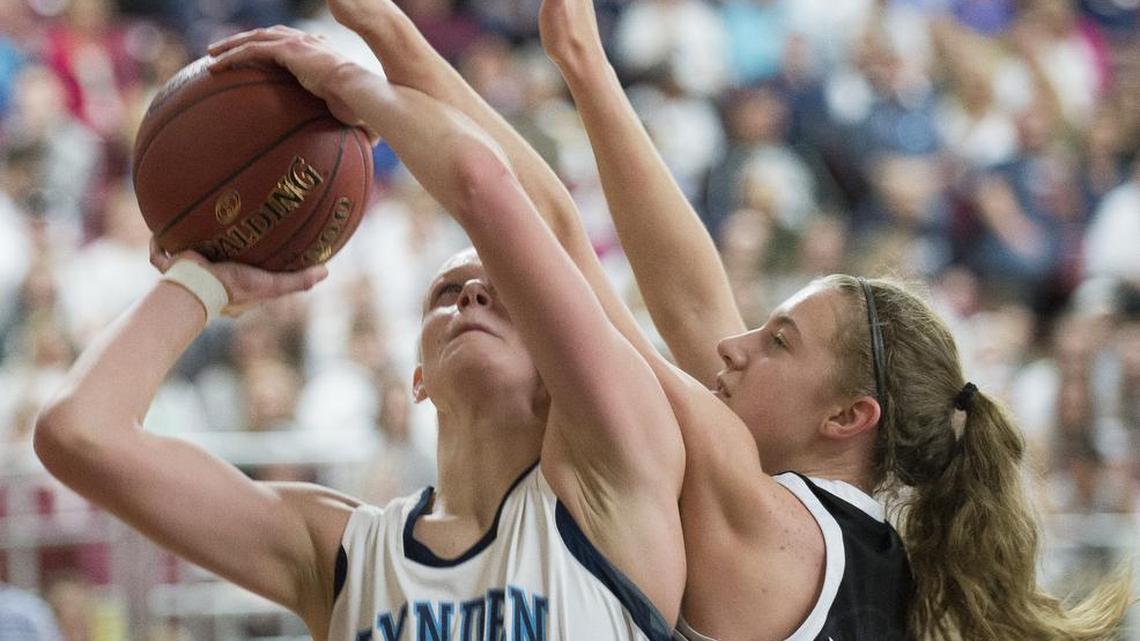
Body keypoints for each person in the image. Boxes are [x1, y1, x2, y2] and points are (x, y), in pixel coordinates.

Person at [33, 20, 686, 641]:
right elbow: (78, 433)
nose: (473, 295)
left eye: (506, 296)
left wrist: (356, 84)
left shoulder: (616, 487)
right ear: (418, 378)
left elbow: (489, 189)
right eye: (446, 293)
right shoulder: (342, 549)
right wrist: (203, 285)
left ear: (561, 360)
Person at [528, 0, 1135, 639]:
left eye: (779, 342)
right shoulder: (871, 551)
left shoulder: (774, 522)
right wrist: (585, 64)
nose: (733, 347)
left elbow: (577, 296)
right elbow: (691, 303)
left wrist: (545, 78)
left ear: (847, 417)